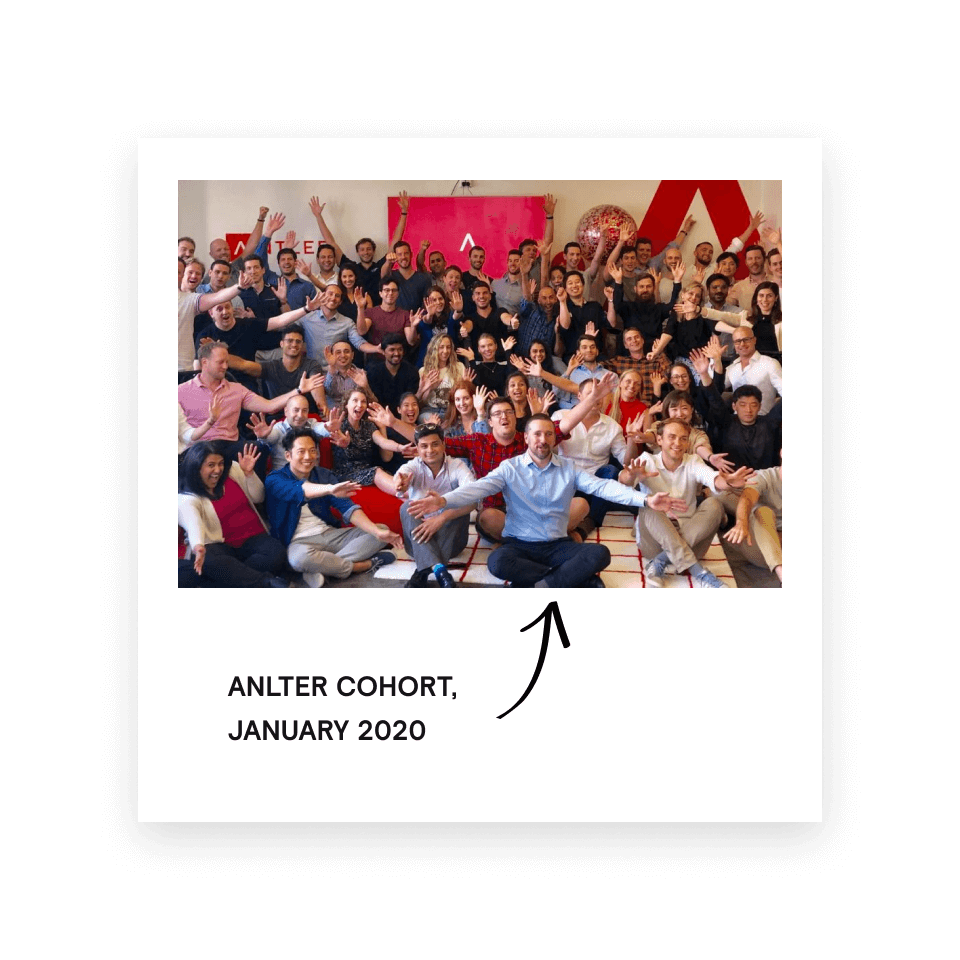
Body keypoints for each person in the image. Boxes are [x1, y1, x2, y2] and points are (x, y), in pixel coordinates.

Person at [408, 414, 687, 587]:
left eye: (548, 434)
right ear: (526, 437)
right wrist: (442, 501)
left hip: (557, 544)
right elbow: (477, 489)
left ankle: (544, 584)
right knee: (497, 563)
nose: (542, 440)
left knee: (599, 554)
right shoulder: (510, 468)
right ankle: (574, 580)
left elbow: (603, 487)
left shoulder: (568, 468)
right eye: (537, 434)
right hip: (520, 545)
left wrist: (646, 500)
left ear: (555, 439)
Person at [619, 417, 752, 587]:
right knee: (648, 505)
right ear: (659, 440)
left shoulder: (693, 461)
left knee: (714, 505)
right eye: (672, 437)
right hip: (654, 543)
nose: (678, 443)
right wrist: (631, 475)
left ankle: (661, 562)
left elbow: (712, 478)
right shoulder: (647, 460)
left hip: (691, 539)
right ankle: (698, 571)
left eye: (683, 438)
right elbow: (623, 480)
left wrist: (728, 482)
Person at [265, 427, 401, 587]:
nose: (308, 457)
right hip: (299, 542)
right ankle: (361, 566)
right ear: (288, 455)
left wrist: (376, 532)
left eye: (312, 451)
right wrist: (329, 488)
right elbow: (301, 489)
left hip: (330, 534)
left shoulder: (323, 474)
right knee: (298, 559)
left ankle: (322, 568)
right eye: (301, 451)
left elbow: (348, 508)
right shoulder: (275, 479)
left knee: (380, 530)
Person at [178, 341, 325, 476]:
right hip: (198, 446)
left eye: (227, 362)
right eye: (220, 362)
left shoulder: (236, 389)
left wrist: (298, 390)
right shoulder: (181, 391)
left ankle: (258, 500)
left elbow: (269, 406)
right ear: (204, 362)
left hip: (229, 444)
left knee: (257, 449)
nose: (226, 366)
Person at [178, 441, 289, 588]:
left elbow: (259, 497)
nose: (218, 470)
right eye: (211, 465)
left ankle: (226, 580)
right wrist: (198, 545)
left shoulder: (234, 470)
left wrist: (249, 474)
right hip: (219, 545)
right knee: (208, 560)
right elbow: (193, 523)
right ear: (196, 467)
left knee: (276, 554)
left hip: (252, 537)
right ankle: (267, 582)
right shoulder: (186, 497)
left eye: (221, 463)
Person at [393, 423, 478, 587]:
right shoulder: (413, 467)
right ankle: (439, 569)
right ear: (417, 448)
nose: (430, 450)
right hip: (418, 540)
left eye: (435, 444)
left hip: (451, 542)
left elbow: (474, 498)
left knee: (459, 504)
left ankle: (423, 569)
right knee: (405, 507)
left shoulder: (457, 466)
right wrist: (400, 484)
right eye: (424, 446)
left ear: (443, 444)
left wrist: (442, 516)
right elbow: (401, 475)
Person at [307, 193, 408, 307]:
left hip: (377, 311)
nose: (366, 252)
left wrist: (404, 213)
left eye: (369, 249)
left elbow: (395, 241)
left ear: (374, 251)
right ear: (358, 252)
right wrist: (318, 216)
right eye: (362, 250)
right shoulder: (351, 266)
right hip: (354, 312)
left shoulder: (380, 266)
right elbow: (331, 243)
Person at [224, 324, 327, 416]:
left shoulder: (312, 365)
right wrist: (218, 354)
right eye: (290, 341)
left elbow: (315, 384)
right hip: (278, 420)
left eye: (298, 341)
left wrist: (322, 405)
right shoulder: (271, 367)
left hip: (306, 417)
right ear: (281, 344)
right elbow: (243, 365)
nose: (294, 344)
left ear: (302, 345)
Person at [329, 389, 414, 487]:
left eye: (363, 401)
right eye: (355, 400)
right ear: (346, 405)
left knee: (388, 473)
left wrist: (399, 447)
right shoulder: (338, 425)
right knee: (377, 472)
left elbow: (382, 442)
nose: (360, 405)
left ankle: (409, 494)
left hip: (367, 471)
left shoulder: (368, 426)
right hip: (345, 474)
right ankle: (405, 492)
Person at [723, 456, 783, 583]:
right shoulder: (765, 476)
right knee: (763, 511)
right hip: (760, 550)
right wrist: (741, 523)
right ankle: (782, 573)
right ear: (782, 453)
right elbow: (747, 499)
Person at [300, 284, 383, 371]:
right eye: (330, 294)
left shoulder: (347, 322)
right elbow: (287, 325)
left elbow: (359, 342)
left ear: (340, 302)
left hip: (336, 373)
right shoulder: (307, 318)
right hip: (311, 372)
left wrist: (376, 348)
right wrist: (284, 301)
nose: (333, 298)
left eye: (337, 296)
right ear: (322, 296)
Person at [365, 333, 423, 416]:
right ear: (383, 352)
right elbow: (375, 401)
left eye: (400, 349)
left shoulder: (411, 371)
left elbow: (410, 400)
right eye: (392, 350)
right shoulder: (374, 372)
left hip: (404, 415)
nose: (396, 353)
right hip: (380, 414)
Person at [419, 334, 465, 420]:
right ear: (434, 349)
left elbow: (463, 395)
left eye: (448, 347)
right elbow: (421, 403)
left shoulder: (459, 367)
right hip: (430, 410)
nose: (445, 351)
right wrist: (429, 388)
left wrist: (465, 384)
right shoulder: (424, 371)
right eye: (441, 347)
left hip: (451, 410)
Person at [381, 239, 433, 310]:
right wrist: (388, 262)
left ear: (411, 254)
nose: (403, 257)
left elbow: (427, 304)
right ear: (395, 256)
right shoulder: (392, 276)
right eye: (399, 254)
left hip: (418, 319)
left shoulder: (423, 278)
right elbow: (383, 275)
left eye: (406, 253)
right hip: (396, 319)